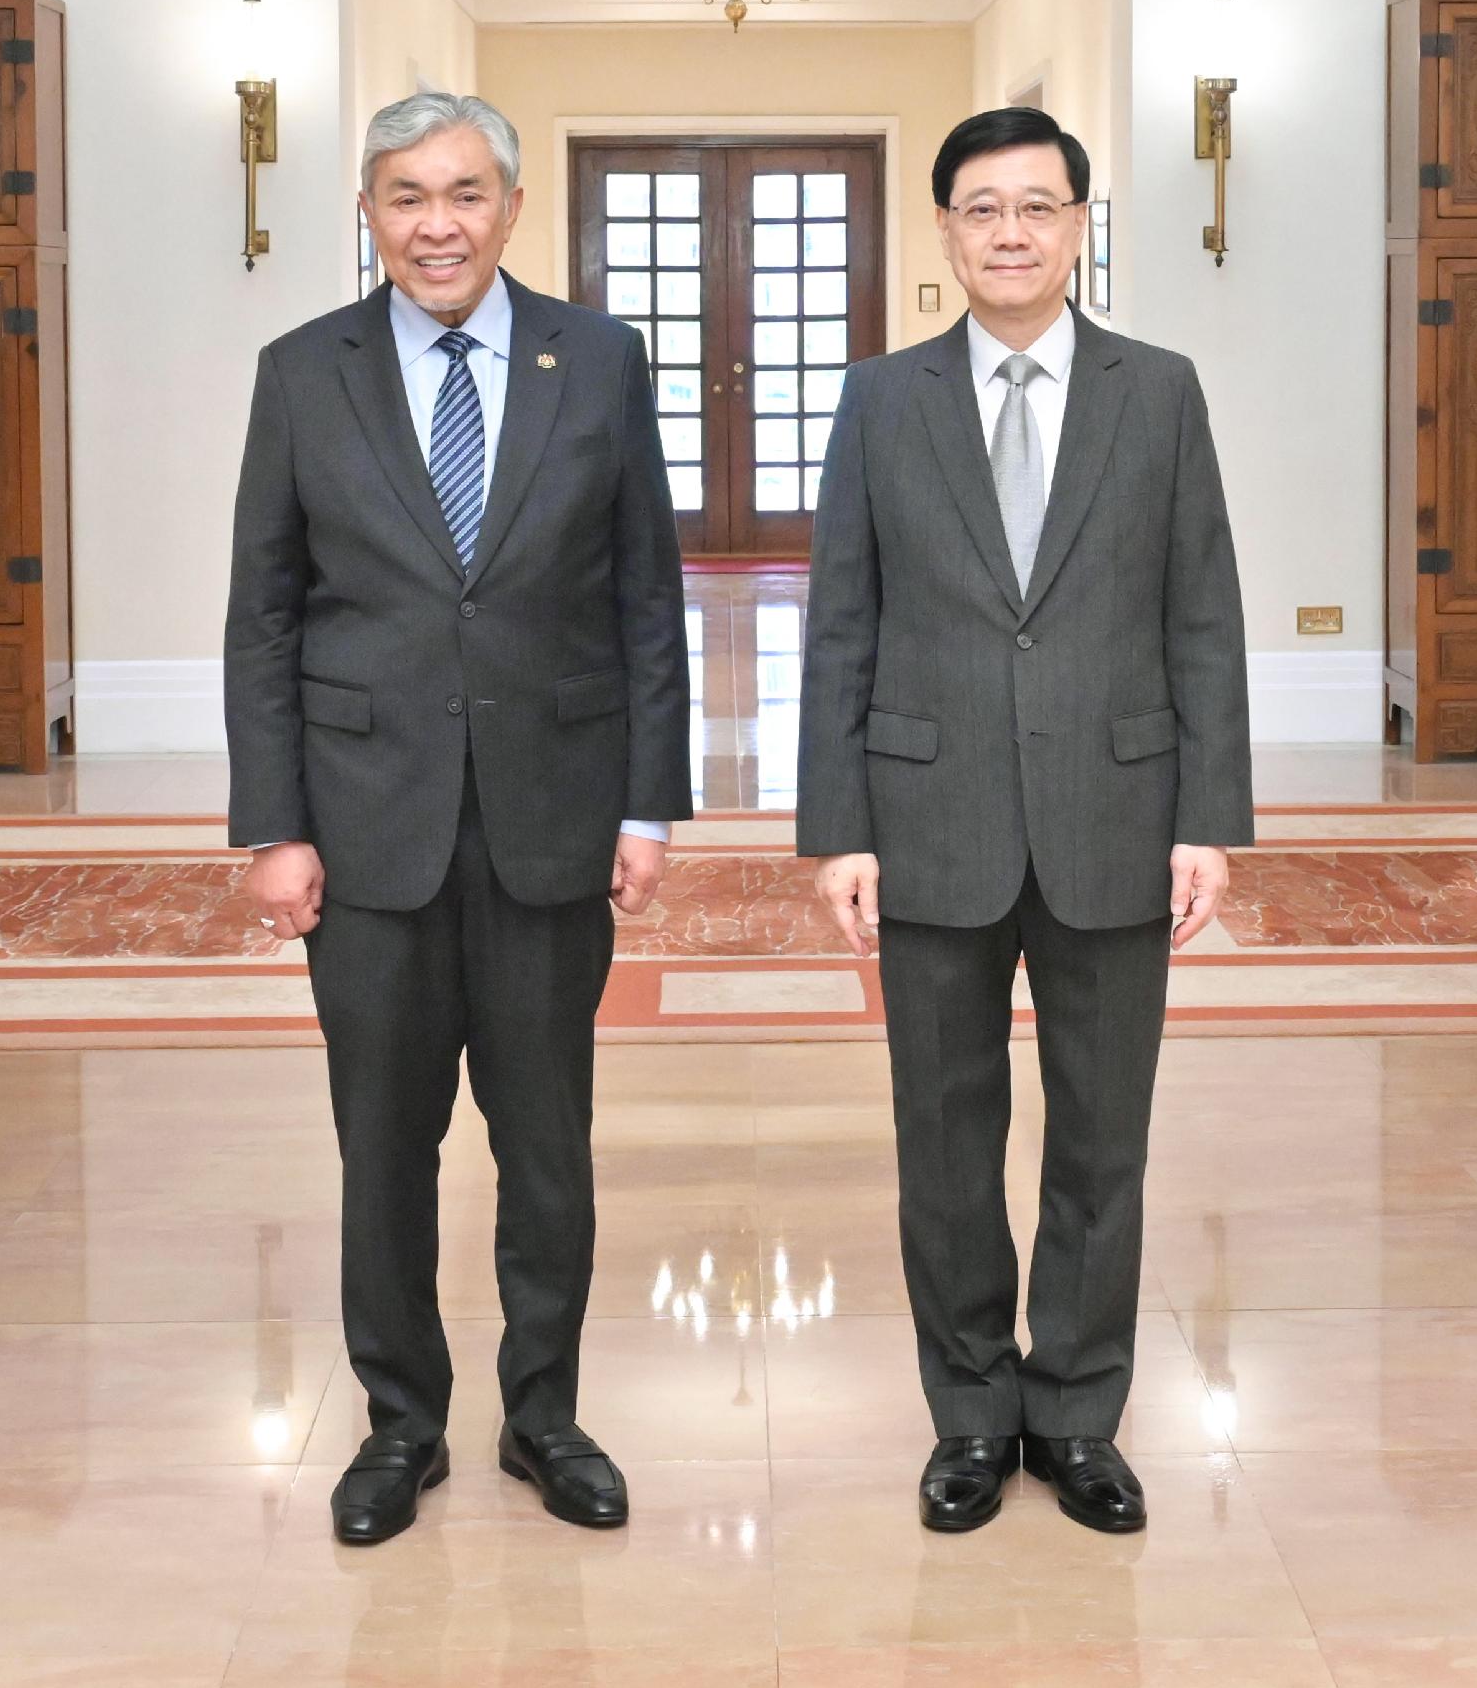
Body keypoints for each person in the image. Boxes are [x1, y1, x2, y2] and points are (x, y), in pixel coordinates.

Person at [224, 91, 692, 1546]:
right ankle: (401, 1422)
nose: (439, 223)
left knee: (547, 1139)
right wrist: (273, 822)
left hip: (553, 814)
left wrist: (649, 801)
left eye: (467, 192)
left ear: (511, 204)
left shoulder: (598, 362)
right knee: (385, 1141)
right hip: (366, 829)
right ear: (367, 210)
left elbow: (645, 600)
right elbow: (264, 615)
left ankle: (544, 1414)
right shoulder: (304, 372)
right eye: (408, 195)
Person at [799, 105, 1251, 1536]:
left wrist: (1209, 815)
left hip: (1118, 812)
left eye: (1037, 207)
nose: (1010, 232)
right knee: (945, 1136)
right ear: (946, 231)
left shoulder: (1159, 390)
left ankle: (1079, 1413)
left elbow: (1204, 611)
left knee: (1103, 1137)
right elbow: (841, 621)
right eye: (983, 208)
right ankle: (971, 1413)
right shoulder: (882, 399)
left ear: (1077, 226)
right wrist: (839, 828)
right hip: (928, 817)